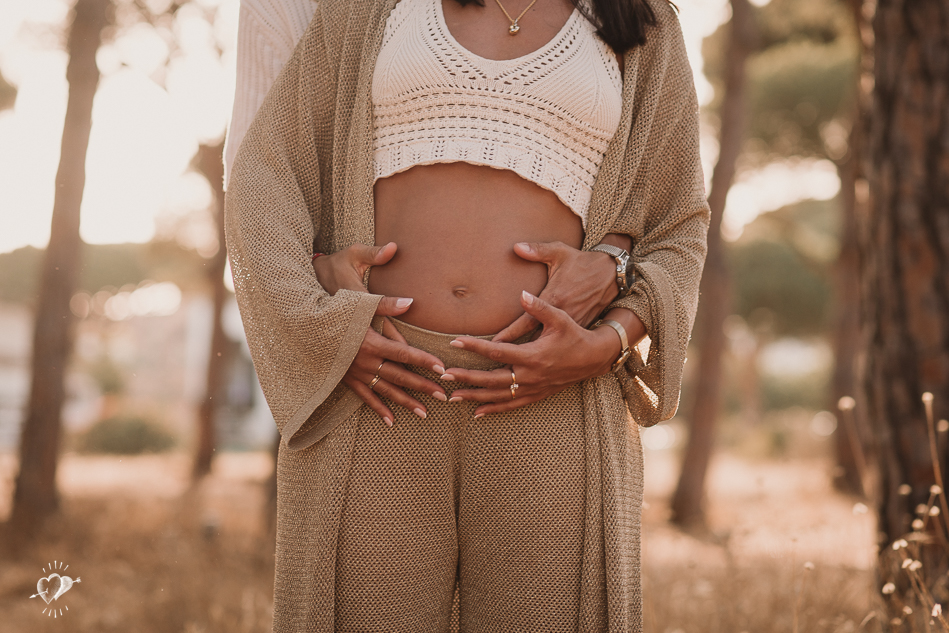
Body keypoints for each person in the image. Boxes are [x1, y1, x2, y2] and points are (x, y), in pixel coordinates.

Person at [224, 0, 709, 631]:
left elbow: (679, 226)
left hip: (552, 400)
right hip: (382, 390)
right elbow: (266, 172)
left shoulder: (639, 22)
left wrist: (609, 338)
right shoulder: (365, 10)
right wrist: (322, 318)